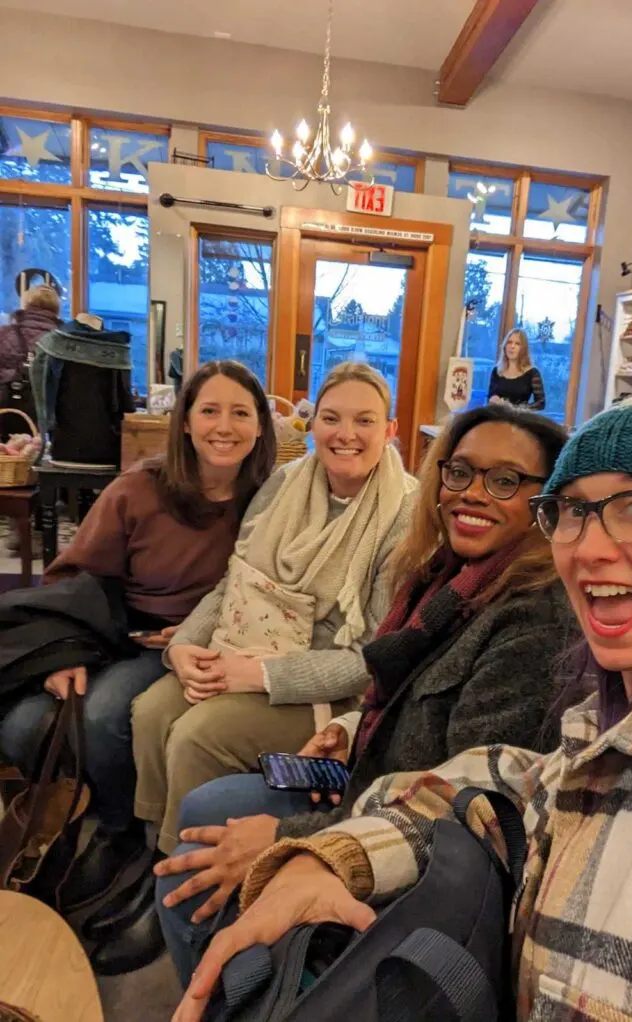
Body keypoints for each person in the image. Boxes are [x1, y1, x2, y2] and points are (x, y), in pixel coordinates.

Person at [174, 384, 632, 1022]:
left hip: (419, 884)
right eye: (574, 510)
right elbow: (496, 786)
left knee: (198, 803)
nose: (591, 546)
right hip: (369, 789)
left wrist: (297, 833)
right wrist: (329, 839)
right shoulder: (584, 709)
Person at [154, 403, 577, 986]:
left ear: (545, 502)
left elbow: (471, 812)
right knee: (198, 803)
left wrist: (286, 841)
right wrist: (351, 731)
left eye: (504, 480)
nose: (472, 493)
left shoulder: (535, 619)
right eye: (459, 472)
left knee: (183, 870)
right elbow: (400, 688)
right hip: (366, 773)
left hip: (416, 849)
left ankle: (259, 984)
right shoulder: (443, 575)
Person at [86, 364, 417, 976]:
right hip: (247, 646)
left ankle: (174, 894)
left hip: (329, 693)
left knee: (195, 734)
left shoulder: (404, 515)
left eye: (365, 420)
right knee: (151, 708)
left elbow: (371, 659)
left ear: (390, 429)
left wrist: (257, 676)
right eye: (332, 418)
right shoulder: (287, 482)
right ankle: (152, 860)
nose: (347, 434)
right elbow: (235, 581)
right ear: (309, 422)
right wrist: (183, 646)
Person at [0, 359, 276, 915]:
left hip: (194, 648)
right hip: (111, 632)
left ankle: (122, 832)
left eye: (241, 412)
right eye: (210, 410)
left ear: (261, 427)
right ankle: (98, 812)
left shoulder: (270, 501)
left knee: (105, 714)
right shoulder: (138, 490)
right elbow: (71, 577)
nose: (225, 425)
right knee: (21, 727)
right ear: (186, 422)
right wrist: (65, 655)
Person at [0, 283, 61, 422]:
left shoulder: (4, 334)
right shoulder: (62, 341)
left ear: (26, 304)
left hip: (6, 411)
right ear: (57, 309)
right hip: (47, 417)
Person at [488, 328, 545, 410]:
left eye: (517, 344)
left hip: (520, 420)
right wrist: (493, 399)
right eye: (509, 342)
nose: (512, 346)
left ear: (524, 349)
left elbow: (541, 403)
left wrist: (515, 409)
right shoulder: (496, 371)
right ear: (504, 346)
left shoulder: (532, 373)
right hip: (497, 419)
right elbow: (490, 397)